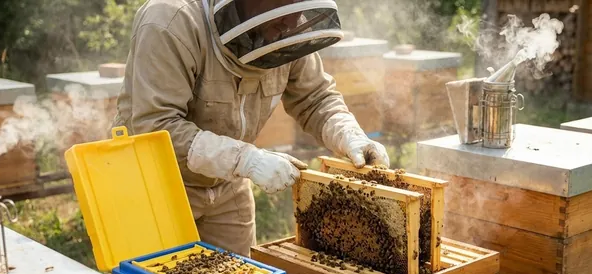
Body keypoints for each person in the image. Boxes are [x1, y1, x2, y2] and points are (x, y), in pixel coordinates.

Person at [113, 0, 390, 257]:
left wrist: (349, 135)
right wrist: (245, 159)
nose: (293, 21)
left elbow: (314, 97)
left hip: (226, 185)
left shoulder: (288, 26)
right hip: (154, 183)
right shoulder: (170, 21)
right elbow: (155, 127)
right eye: (286, 2)